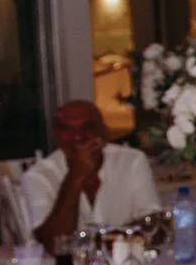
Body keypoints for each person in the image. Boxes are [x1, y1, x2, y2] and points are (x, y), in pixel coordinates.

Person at [23, 101, 162, 252]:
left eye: (87, 127)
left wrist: (94, 241)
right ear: (56, 135)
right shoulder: (38, 176)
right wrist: (75, 176)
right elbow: (54, 245)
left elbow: (155, 229)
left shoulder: (131, 161)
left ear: (103, 131)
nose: (77, 137)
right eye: (67, 129)